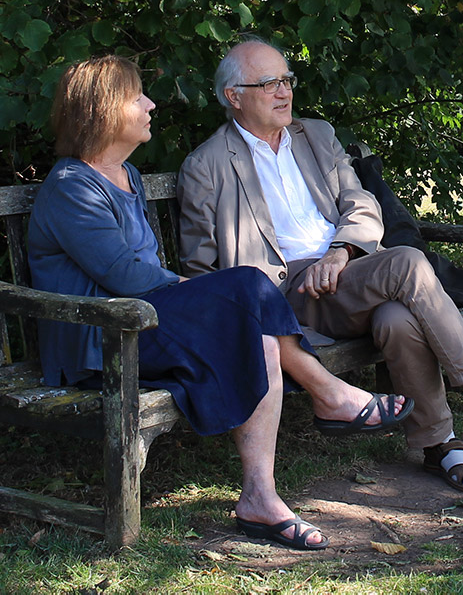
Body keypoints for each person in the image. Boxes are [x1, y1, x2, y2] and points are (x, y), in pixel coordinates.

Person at [27, 55, 414, 550]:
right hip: (100, 341)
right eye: (135, 97)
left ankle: (260, 495)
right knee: (247, 290)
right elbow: (123, 275)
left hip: (143, 323)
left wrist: (203, 295)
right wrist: (201, 293)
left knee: (255, 322)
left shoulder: (124, 175)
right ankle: (329, 397)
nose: (149, 105)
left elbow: (143, 279)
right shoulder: (71, 188)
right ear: (102, 111)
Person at [178, 39, 463, 494]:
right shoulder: (207, 165)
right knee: (408, 261)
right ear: (234, 96)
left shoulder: (315, 136)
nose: (284, 91)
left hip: (345, 273)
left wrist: (341, 252)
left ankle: (440, 445)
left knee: (398, 318)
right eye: (269, 83)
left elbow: (361, 204)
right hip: (281, 298)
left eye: (287, 80)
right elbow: (201, 270)